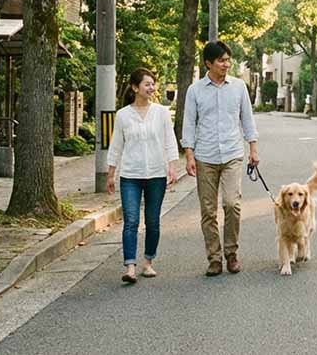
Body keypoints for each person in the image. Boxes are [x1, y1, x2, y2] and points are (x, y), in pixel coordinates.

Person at [182, 40, 259, 276]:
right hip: (205, 156)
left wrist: (253, 149)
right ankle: (214, 258)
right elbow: (189, 124)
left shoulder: (238, 87)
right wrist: (189, 155)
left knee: (232, 204)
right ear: (208, 63)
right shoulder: (195, 90)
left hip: (232, 154)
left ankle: (231, 253)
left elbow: (247, 119)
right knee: (208, 211)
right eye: (221, 60)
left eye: (228, 60)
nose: (226, 64)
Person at [106, 68, 179, 284]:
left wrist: (172, 167)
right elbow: (116, 145)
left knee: (153, 221)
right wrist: (111, 174)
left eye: (153, 84)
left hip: (156, 174)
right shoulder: (123, 115)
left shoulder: (161, 112)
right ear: (135, 87)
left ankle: (148, 262)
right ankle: (130, 266)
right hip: (130, 175)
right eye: (147, 84)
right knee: (131, 220)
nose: (151, 87)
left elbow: (170, 141)